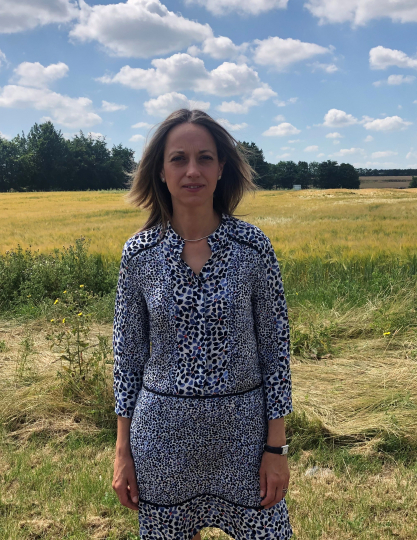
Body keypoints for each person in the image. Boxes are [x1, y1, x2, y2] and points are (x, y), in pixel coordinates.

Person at [112, 109, 293, 540]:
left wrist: (276, 448)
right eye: (178, 158)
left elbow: (276, 353)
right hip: (162, 441)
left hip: (245, 441)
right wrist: (123, 451)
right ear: (160, 170)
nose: (192, 170)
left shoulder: (253, 247)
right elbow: (126, 359)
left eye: (204, 158)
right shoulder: (138, 255)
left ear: (221, 168)